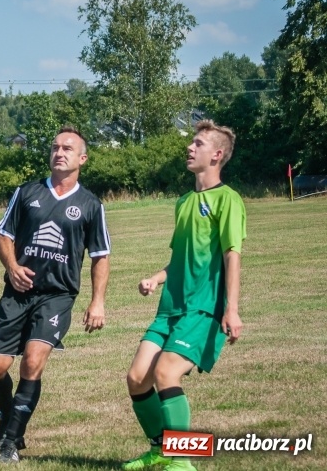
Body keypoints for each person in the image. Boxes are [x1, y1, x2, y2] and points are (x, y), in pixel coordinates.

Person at [121, 120, 245, 471]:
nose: (190, 148)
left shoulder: (228, 200)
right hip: (170, 308)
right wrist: (156, 278)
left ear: (217, 155)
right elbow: (179, 260)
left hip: (204, 309)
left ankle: (183, 460)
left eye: (199, 143)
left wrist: (231, 310)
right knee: (136, 378)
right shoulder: (184, 202)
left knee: (166, 372)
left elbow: (231, 255)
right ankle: (161, 449)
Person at [0, 127, 111, 464]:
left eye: (68, 148)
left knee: (33, 361)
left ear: (82, 159)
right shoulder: (26, 193)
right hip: (17, 292)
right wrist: (11, 266)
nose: (59, 152)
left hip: (57, 295)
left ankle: (10, 442)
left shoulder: (90, 205)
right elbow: (3, 235)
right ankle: (12, 418)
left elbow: (100, 256)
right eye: (55, 147)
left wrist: (97, 301)